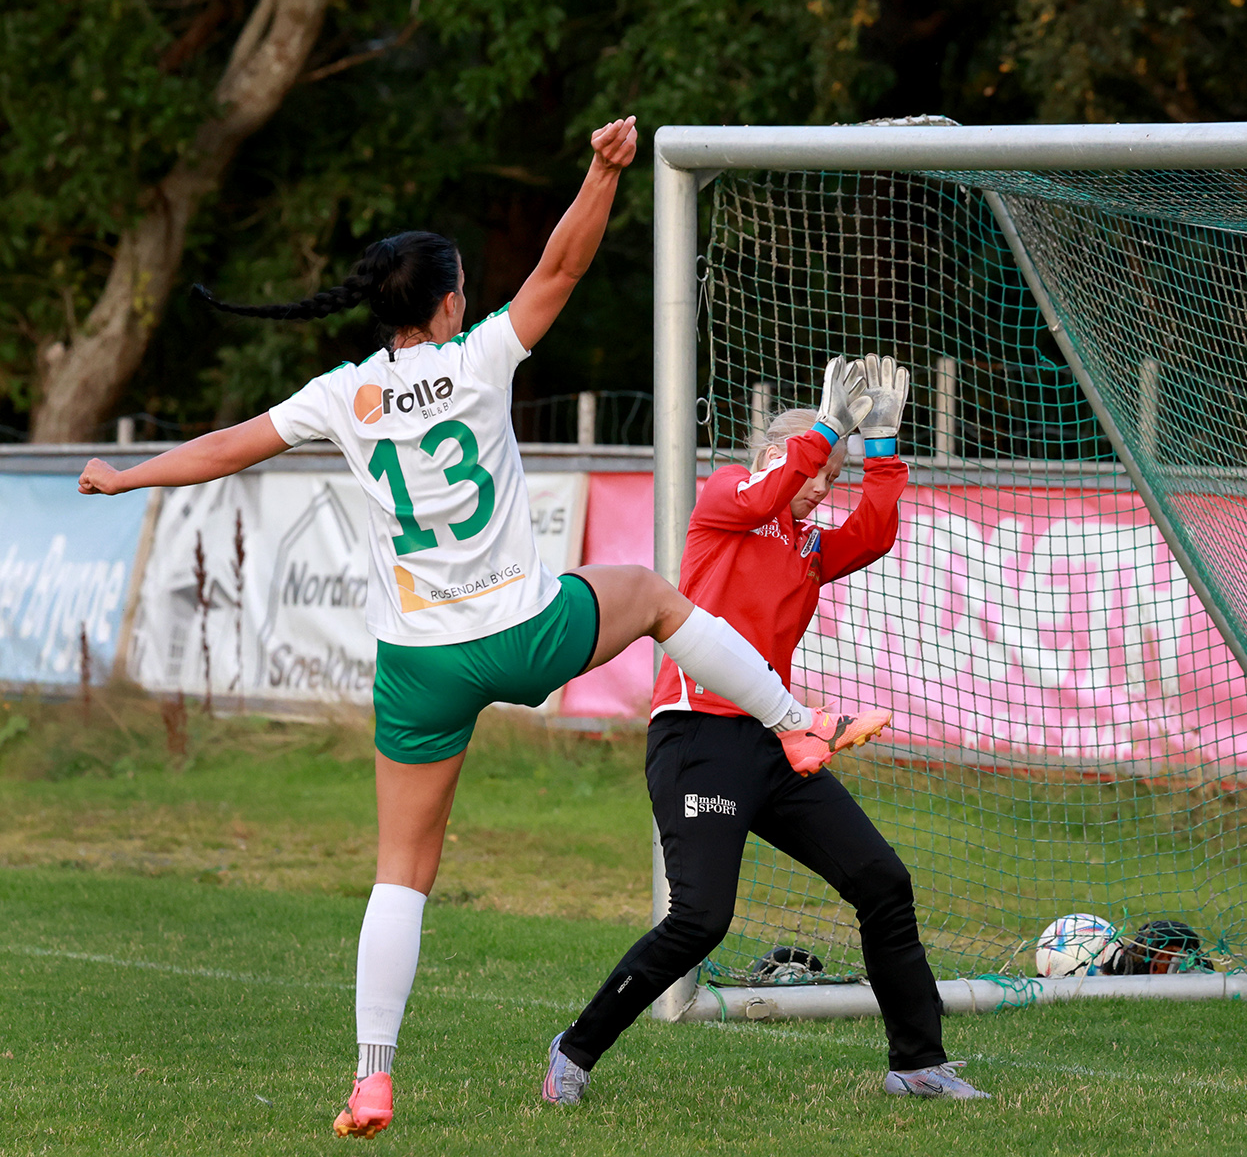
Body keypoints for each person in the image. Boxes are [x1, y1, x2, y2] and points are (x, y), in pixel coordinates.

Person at [76, 118, 894, 1139]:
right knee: (648, 595)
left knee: (400, 873)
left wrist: (124, 473)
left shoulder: (341, 394)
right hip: (519, 630)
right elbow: (561, 264)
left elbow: (224, 449)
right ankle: (794, 720)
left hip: (418, 664)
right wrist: (601, 173)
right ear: (453, 301)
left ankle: (373, 1079)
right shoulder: (477, 360)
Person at [540, 354, 990, 1104]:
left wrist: (879, 447)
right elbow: (766, 495)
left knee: (882, 882)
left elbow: (874, 535)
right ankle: (575, 1051)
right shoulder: (726, 500)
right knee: (701, 920)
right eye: (816, 471)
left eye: (832, 477)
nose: (821, 487)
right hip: (697, 738)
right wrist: (822, 429)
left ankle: (917, 1063)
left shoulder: (808, 543)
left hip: (774, 744)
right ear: (776, 458)